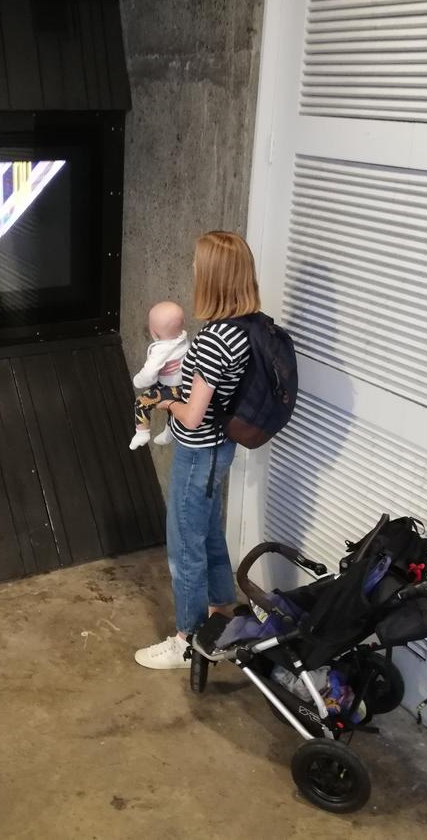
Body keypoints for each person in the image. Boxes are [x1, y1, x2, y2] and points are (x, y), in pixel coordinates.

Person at [134, 230, 258, 669]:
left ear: (213, 277)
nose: (192, 271)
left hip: (198, 453)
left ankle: (186, 640)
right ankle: (222, 606)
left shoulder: (214, 339)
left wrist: (162, 402)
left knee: (184, 546)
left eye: (197, 265)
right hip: (219, 448)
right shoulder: (246, 327)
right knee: (207, 534)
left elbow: (190, 416)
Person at [129, 301, 190, 449]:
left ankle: (142, 433)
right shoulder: (183, 339)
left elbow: (149, 373)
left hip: (171, 388)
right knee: (173, 407)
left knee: (141, 403)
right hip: (184, 385)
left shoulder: (161, 350)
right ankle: (170, 431)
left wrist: (138, 381)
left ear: (154, 332)